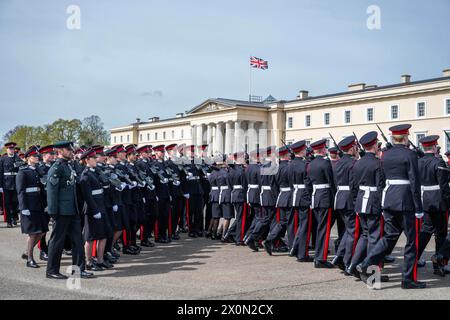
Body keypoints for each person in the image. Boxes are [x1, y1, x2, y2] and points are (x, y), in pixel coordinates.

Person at [357, 124, 426, 289]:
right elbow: (415, 183)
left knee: (389, 237)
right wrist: (419, 208)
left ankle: (367, 262)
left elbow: (381, 179)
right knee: (412, 241)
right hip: (406, 201)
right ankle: (408, 279)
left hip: (388, 200)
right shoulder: (410, 155)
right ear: (406, 137)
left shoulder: (384, 155)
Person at [46, 141, 93, 280]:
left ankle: (78, 270)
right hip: (61, 211)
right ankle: (52, 270)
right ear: (60, 151)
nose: (72, 151)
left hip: (72, 210)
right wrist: (53, 211)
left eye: (71, 149)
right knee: (57, 241)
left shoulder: (68, 166)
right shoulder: (57, 167)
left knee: (78, 241)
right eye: (68, 149)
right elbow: (52, 191)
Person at [346, 132, 385, 279]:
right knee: (374, 237)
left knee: (365, 235)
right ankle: (371, 274)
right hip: (373, 202)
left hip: (361, 202)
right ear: (374, 145)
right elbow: (380, 187)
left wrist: (356, 203)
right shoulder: (377, 163)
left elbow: (353, 187)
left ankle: (353, 266)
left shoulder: (357, 163)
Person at [416, 135, 450, 276]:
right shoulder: (439, 162)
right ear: (435, 147)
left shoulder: (418, 162)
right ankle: (438, 264)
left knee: (426, 230)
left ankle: (414, 257)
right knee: (441, 233)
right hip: (438, 202)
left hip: (424, 201)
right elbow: (444, 187)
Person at [80, 149, 112, 271]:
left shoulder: (96, 172)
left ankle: (100, 260)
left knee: (103, 235)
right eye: (94, 158)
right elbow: (87, 196)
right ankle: (88, 261)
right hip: (92, 208)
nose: (96, 160)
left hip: (101, 205)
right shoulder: (85, 175)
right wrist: (95, 210)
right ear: (87, 160)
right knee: (90, 237)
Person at [17, 147, 48, 268]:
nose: (36, 158)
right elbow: (20, 191)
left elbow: (42, 190)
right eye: (34, 156)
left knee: (43, 231)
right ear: (28, 158)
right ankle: (30, 259)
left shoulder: (37, 171)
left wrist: (45, 204)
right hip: (29, 206)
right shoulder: (22, 172)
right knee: (33, 233)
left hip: (39, 205)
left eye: (37, 156)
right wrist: (23, 207)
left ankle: (27, 251)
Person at [308, 139, 336, 268]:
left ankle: (318, 256)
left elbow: (308, 184)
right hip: (325, 198)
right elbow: (332, 182)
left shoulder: (311, 164)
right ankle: (321, 258)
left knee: (320, 228)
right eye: (325, 148)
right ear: (322, 149)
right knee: (324, 229)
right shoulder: (325, 164)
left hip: (316, 197)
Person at [331, 136, 358, 271]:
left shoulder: (338, 163)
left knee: (348, 230)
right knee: (353, 231)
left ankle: (339, 256)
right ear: (352, 148)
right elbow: (354, 186)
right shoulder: (353, 163)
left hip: (340, 198)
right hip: (349, 200)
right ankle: (348, 261)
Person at [289, 140, 314, 262]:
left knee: (299, 225)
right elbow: (308, 184)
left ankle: (295, 247)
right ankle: (302, 253)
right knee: (305, 226)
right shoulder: (305, 165)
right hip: (304, 197)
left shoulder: (290, 164)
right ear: (302, 150)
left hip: (295, 195)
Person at [265, 146, 292, 253]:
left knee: (282, 222)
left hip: (281, 197)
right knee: (290, 222)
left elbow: (273, 186)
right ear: (286, 155)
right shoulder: (289, 167)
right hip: (289, 197)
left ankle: (270, 239)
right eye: (289, 154)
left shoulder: (276, 168)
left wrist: (278, 197)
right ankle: (292, 245)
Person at [36, 145, 55, 261]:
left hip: (54, 200)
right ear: (44, 155)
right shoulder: (39, 169)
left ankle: (51, 247)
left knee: (56, 227)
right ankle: (43, 249)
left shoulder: (54, 167)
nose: (52, 156)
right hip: (43, 201)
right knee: (43, 228)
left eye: (53, 154)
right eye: (50, 154)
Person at [227, 151, 249, 246]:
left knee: (239, 217)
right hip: (241, 195)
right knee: (241, 218)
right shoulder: (241, 171)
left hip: (234, 194)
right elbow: (245, 185)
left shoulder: (231, 170)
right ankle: (239, 238)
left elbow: (229, 185)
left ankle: (230, 234)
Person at [0, 142, 22, 228]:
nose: (11, 150)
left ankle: (14, 216)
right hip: (6, 183)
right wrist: (0, 185)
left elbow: (21, 168)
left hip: (16, 182)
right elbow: (0, 172)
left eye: (12, 148)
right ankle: (9, 221)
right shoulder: (2, 159)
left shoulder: (17, 158)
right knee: (7, 203)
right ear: (7, 149)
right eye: (10, 148)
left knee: (15, 201)